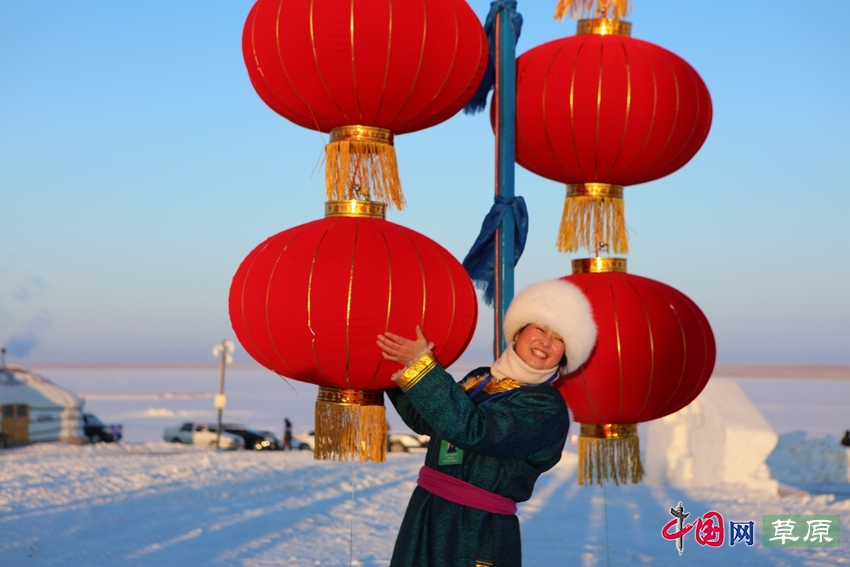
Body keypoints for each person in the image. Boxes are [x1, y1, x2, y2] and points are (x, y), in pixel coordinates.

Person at [377, 279, 597, 567]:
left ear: (565, 354)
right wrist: (383, 368)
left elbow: (472, 430)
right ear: (518, 332)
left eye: (559, 339)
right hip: (427, 509)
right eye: (540, 329)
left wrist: (421, 366)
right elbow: (429, 420)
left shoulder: (546, 408)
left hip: (477, 527)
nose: (546, 341)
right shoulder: (482, 378)